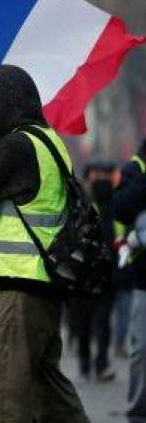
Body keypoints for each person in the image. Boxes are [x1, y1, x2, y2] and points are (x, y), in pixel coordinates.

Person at [0, 64, 87, 422]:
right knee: (49, 388)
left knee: (5, 394)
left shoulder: (17, 145)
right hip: (45, 281)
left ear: (0, 102)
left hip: (24, 284)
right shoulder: (48, 139)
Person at [68, 162, 119, 382]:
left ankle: (88, 362)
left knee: (86, 320)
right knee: (101, 319)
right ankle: (99, 363)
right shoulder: (115, 201)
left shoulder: (80, 200)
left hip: (84, 269)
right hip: (105, 268)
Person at [115, 138, 146, 422]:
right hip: (142, 279)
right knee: (141, 350)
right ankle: (138, 411)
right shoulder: (135, 169)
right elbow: (120, 208)